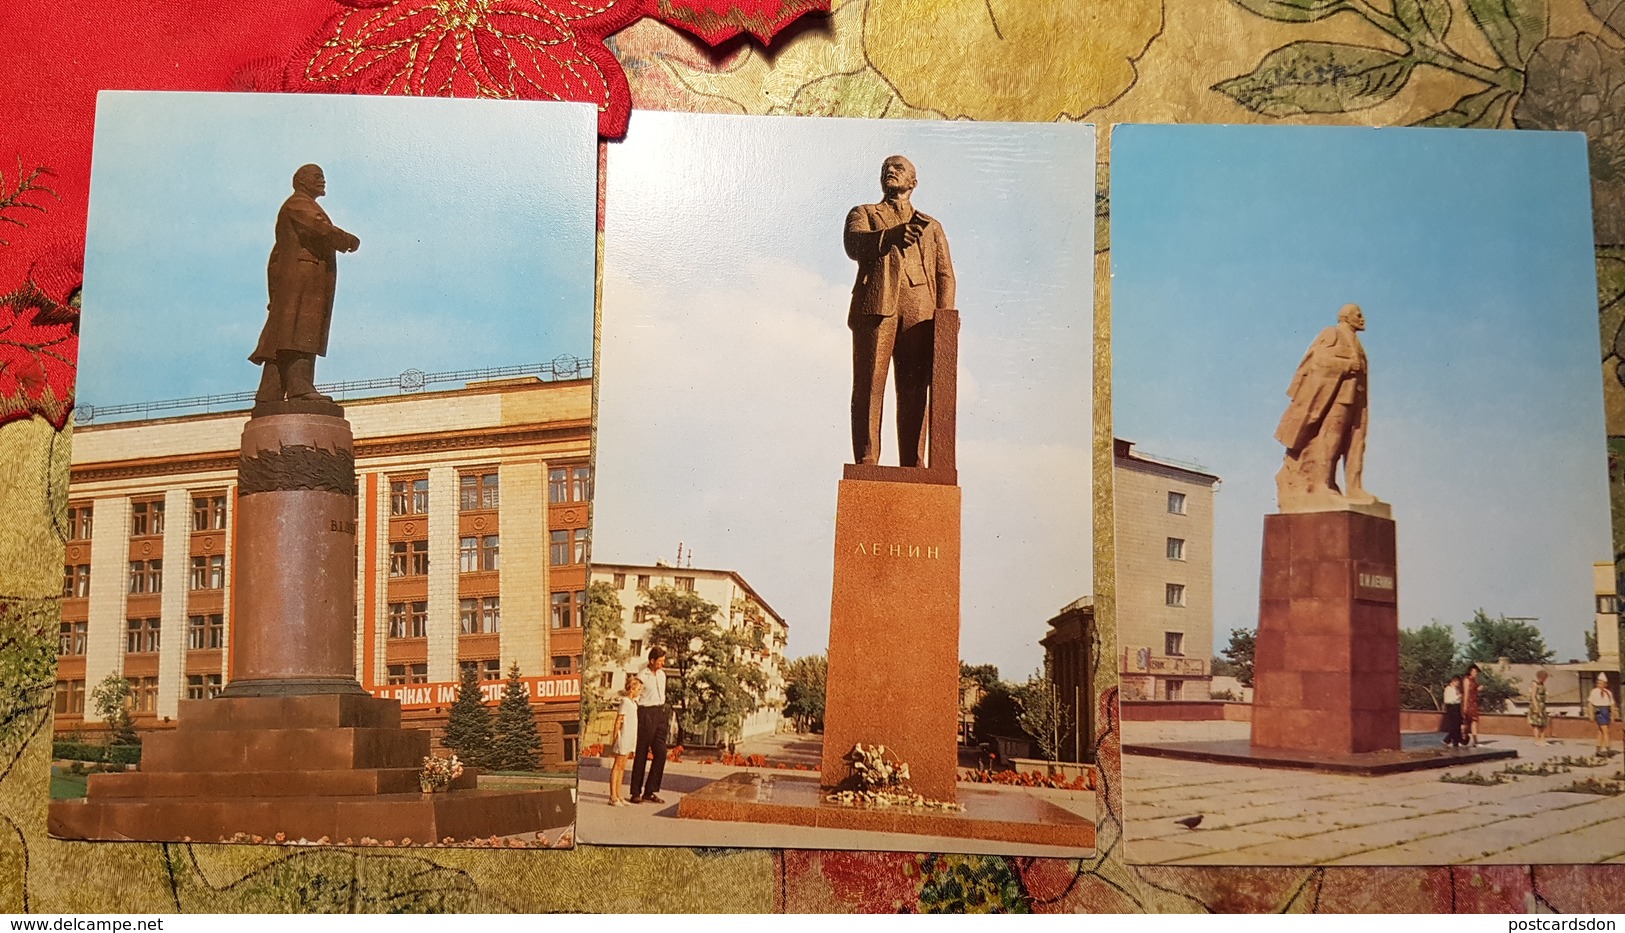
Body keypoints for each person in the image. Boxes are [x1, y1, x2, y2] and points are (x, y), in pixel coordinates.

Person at [845, 155, 956, 468]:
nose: (890, 171)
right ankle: (867, 457)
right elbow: (854, 244)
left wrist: (945, 319)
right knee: (870, 384)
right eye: (886, 169)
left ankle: (913, 460)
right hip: (878, 306)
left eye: (898, 168)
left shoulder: (932, 226)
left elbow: (945, 274)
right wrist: (889, 236)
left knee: (914, 388)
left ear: (913, 182)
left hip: (920, 310)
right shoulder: (865, 213)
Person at [251, 163, 361, 406]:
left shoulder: (298, 204)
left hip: (296, 282)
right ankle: (299, 386)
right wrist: (348, 240)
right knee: (301, 331)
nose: (323, 181)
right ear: (301, 181)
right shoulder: (299, 204)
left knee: (284, 336)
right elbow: (320, 227)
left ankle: (269, 394)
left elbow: (275, 258)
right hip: (303, 280)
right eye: (317, 177)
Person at [1274, 303, 1373, 509]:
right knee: (1331, 440)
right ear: (1346, 318)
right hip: (1337, 399)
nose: (1363, 318)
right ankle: (1321, 484)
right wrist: (1346, 365)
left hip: (1358, 401)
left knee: (1357, 443)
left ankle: (1354, 487)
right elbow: (1319, 361)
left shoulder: (1358, 343)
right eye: (1358, 315)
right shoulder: (1332, 333)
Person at [629, 646, 669, 805]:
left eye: (663, 662)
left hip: (660, 712)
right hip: (646, 712)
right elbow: (636, 695)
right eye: (660, 662)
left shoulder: (662, 675)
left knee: (661, 752)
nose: (662, 665)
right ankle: (635, 792)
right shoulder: (642, 675)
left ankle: (650, 791)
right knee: (642, 752)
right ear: (652, 661)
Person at [607, 677, 643, 806]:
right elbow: (618, 720)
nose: (640, 691)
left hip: (630, 737)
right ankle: (613, 797)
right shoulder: (625, 702)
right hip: (623, 737)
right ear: (632, 689)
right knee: (617, 766)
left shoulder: (634, 704)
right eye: (639, 689)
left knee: (622, 767)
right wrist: (615, 737)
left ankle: (619, 795)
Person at [1589, 673, 1617, 756]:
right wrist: (1591, 714)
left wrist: (1612, 715)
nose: (1600, 684)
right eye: (1598, 682)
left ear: (1605, 684)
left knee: (1600, 731)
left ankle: (1598, 749)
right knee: (1605, 731)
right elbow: (1590, 703)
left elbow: (1612, 704)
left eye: (1602, 683)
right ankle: (1608, 748)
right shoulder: (1594, 691)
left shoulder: (1608, 693)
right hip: (1599, 711)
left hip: (1606, 711)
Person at [1527, 669, 1550, 745]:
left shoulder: (1542, 684)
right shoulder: (1535, 684)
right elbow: (1533, 696)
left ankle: (1543, 739)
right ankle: (1537, 740)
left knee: (1543, 723)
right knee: (1536, 723)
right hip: (1536, 705)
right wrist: (1536, 706)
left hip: (1542, 705)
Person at [1441, 674, 1464, 749]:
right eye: (1457, 682)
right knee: (1454, 725)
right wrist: (1458, 697)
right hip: (1451, 707)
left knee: (1457, 725)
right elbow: (1448, 700)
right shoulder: (1448, 689)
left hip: (1457, 707)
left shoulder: (1456, 689)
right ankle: (1451, 740)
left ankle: (1453, 740)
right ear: (1453, 681)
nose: (1458, 684)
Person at [1462, 664, 1481, 747]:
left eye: (1476, 672)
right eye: (1474, 671)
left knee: (1474, 722)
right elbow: (1466, 693)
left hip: (1474, 703)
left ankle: (1475, 741)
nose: (1476, 673)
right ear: (1470, 672)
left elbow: (1473, 692)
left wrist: (1478, 689)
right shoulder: (1467, 680)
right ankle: (1461, 738)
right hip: (1468, 703)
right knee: (1465, 723)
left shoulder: (1474, 681)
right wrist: (1465, 706)